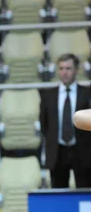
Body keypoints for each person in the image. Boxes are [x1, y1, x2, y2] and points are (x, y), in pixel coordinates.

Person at [39, 53, 91, 189]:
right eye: (61, 68)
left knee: (85, 192)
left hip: (82, 152)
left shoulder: (87, 94)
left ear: (76, 70)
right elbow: (45, 125)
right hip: (57, 152)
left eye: (68, 68)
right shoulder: (48, 96)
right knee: (59, 194)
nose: (64, 72)